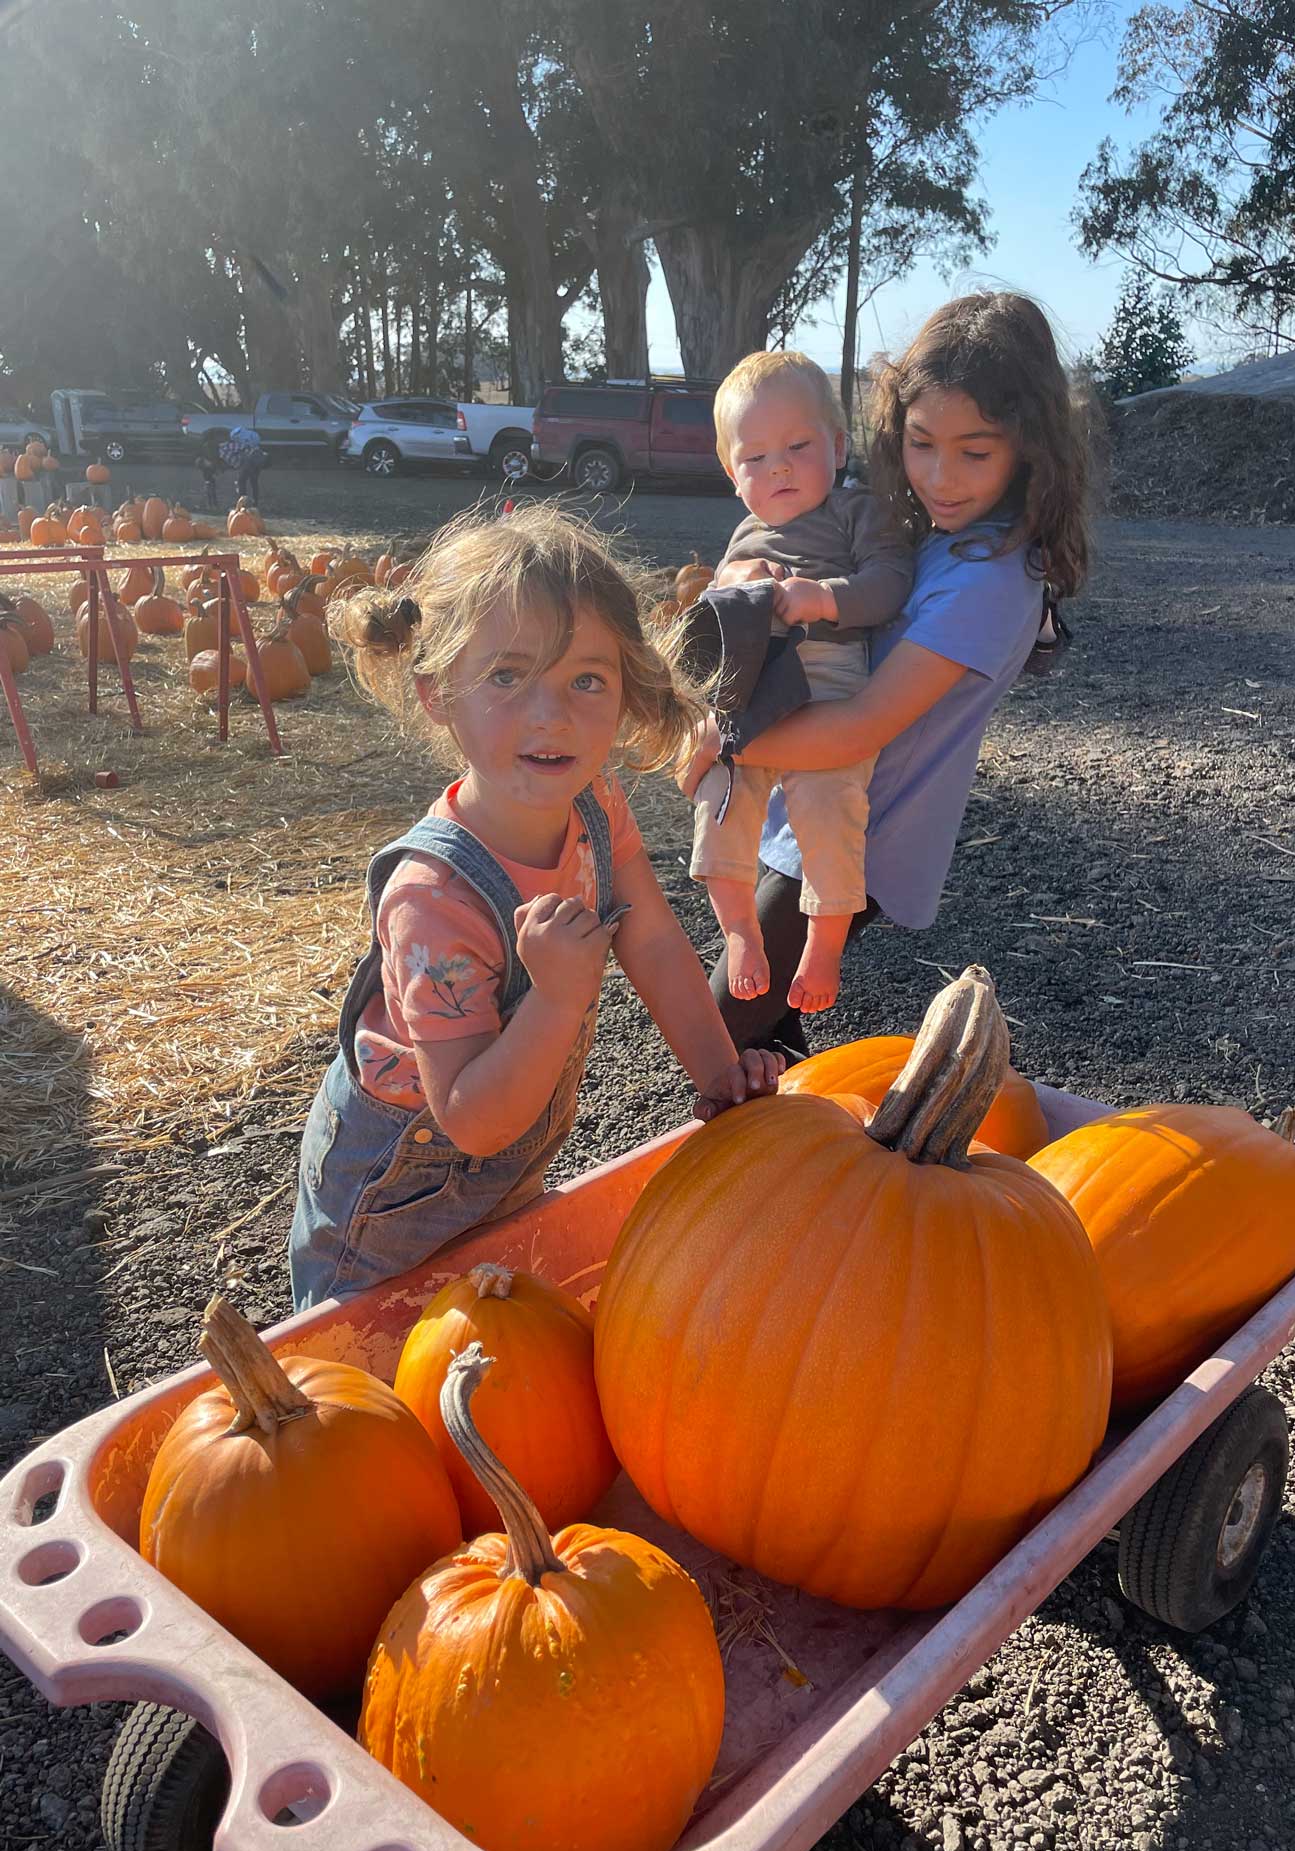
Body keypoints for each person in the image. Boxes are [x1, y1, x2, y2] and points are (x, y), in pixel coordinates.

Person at [289, 502, 783, 1309]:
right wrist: (557, 996)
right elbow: (471, 1119)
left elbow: (653, 939)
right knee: (371, 1376)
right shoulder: (434, 901)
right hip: (391, 1205)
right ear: (438, 694)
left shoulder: (596, 802)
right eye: (508, 676)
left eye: (586, 679)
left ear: (626, 690)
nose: (551, 713)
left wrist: (721, 1078)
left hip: (501, 1167)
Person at [680, 292, 1093, 1059]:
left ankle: (751, 1169)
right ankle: (793, 1162)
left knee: (716, 1030)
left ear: (1030, 447)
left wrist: (720, 740)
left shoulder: (990, 579)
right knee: (762, 1031)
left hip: (861, 823)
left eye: (976, 452)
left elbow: (864, 724)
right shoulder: (946, 538)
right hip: (810, 797)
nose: (941, 476)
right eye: (920, 442)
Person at [689, 351, 913, 1014]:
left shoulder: (853, 512)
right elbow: (710, 612)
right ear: (732, 475)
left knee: (831, 803)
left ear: (838, 446)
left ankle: (823, 942)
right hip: (755, 682)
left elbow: (890, 582)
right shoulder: (743, 533)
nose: (778, 467)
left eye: (797, 446)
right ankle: (740, 931)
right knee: (721, 796)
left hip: (830, 677)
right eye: (754, 458)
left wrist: (823, 597)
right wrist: (734, 585)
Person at [220, 425, 267, 507]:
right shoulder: (254, 439)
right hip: (256, 460)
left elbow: (231, 449)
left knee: (241, 481)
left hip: (247, 462)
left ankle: (242, 503)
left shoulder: (236, 444)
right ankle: (255, 503)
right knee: (254, 482)